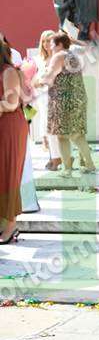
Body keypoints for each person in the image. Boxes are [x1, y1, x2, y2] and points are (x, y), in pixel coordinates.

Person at [35, 32, 95, 178]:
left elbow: (49, 78)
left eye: (52, 44)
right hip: (78, 98)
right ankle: (89, 164)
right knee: (78, 135)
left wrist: (37, 81)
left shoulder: (58, 56)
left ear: (60, 45)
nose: (50, 47)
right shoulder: (73, 55)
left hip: (63, 101)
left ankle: (67, 169)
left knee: (63, 136)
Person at [0, 37, 28, 244]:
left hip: (9, 127)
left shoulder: (8, 72)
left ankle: (10, 227)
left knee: (8, 173)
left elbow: (11, 103)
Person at [34, 30, 61, 171]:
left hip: (55, 97)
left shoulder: (57, 58)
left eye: (49, 40)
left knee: (54, 130)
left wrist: (42, 82)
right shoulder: (39, 59)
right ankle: (53, 157)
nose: (46, 44)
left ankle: (57, 158)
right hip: (42, 98)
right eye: (43, 41)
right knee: (47, 129)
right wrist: (34, 82)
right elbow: (34, 78)